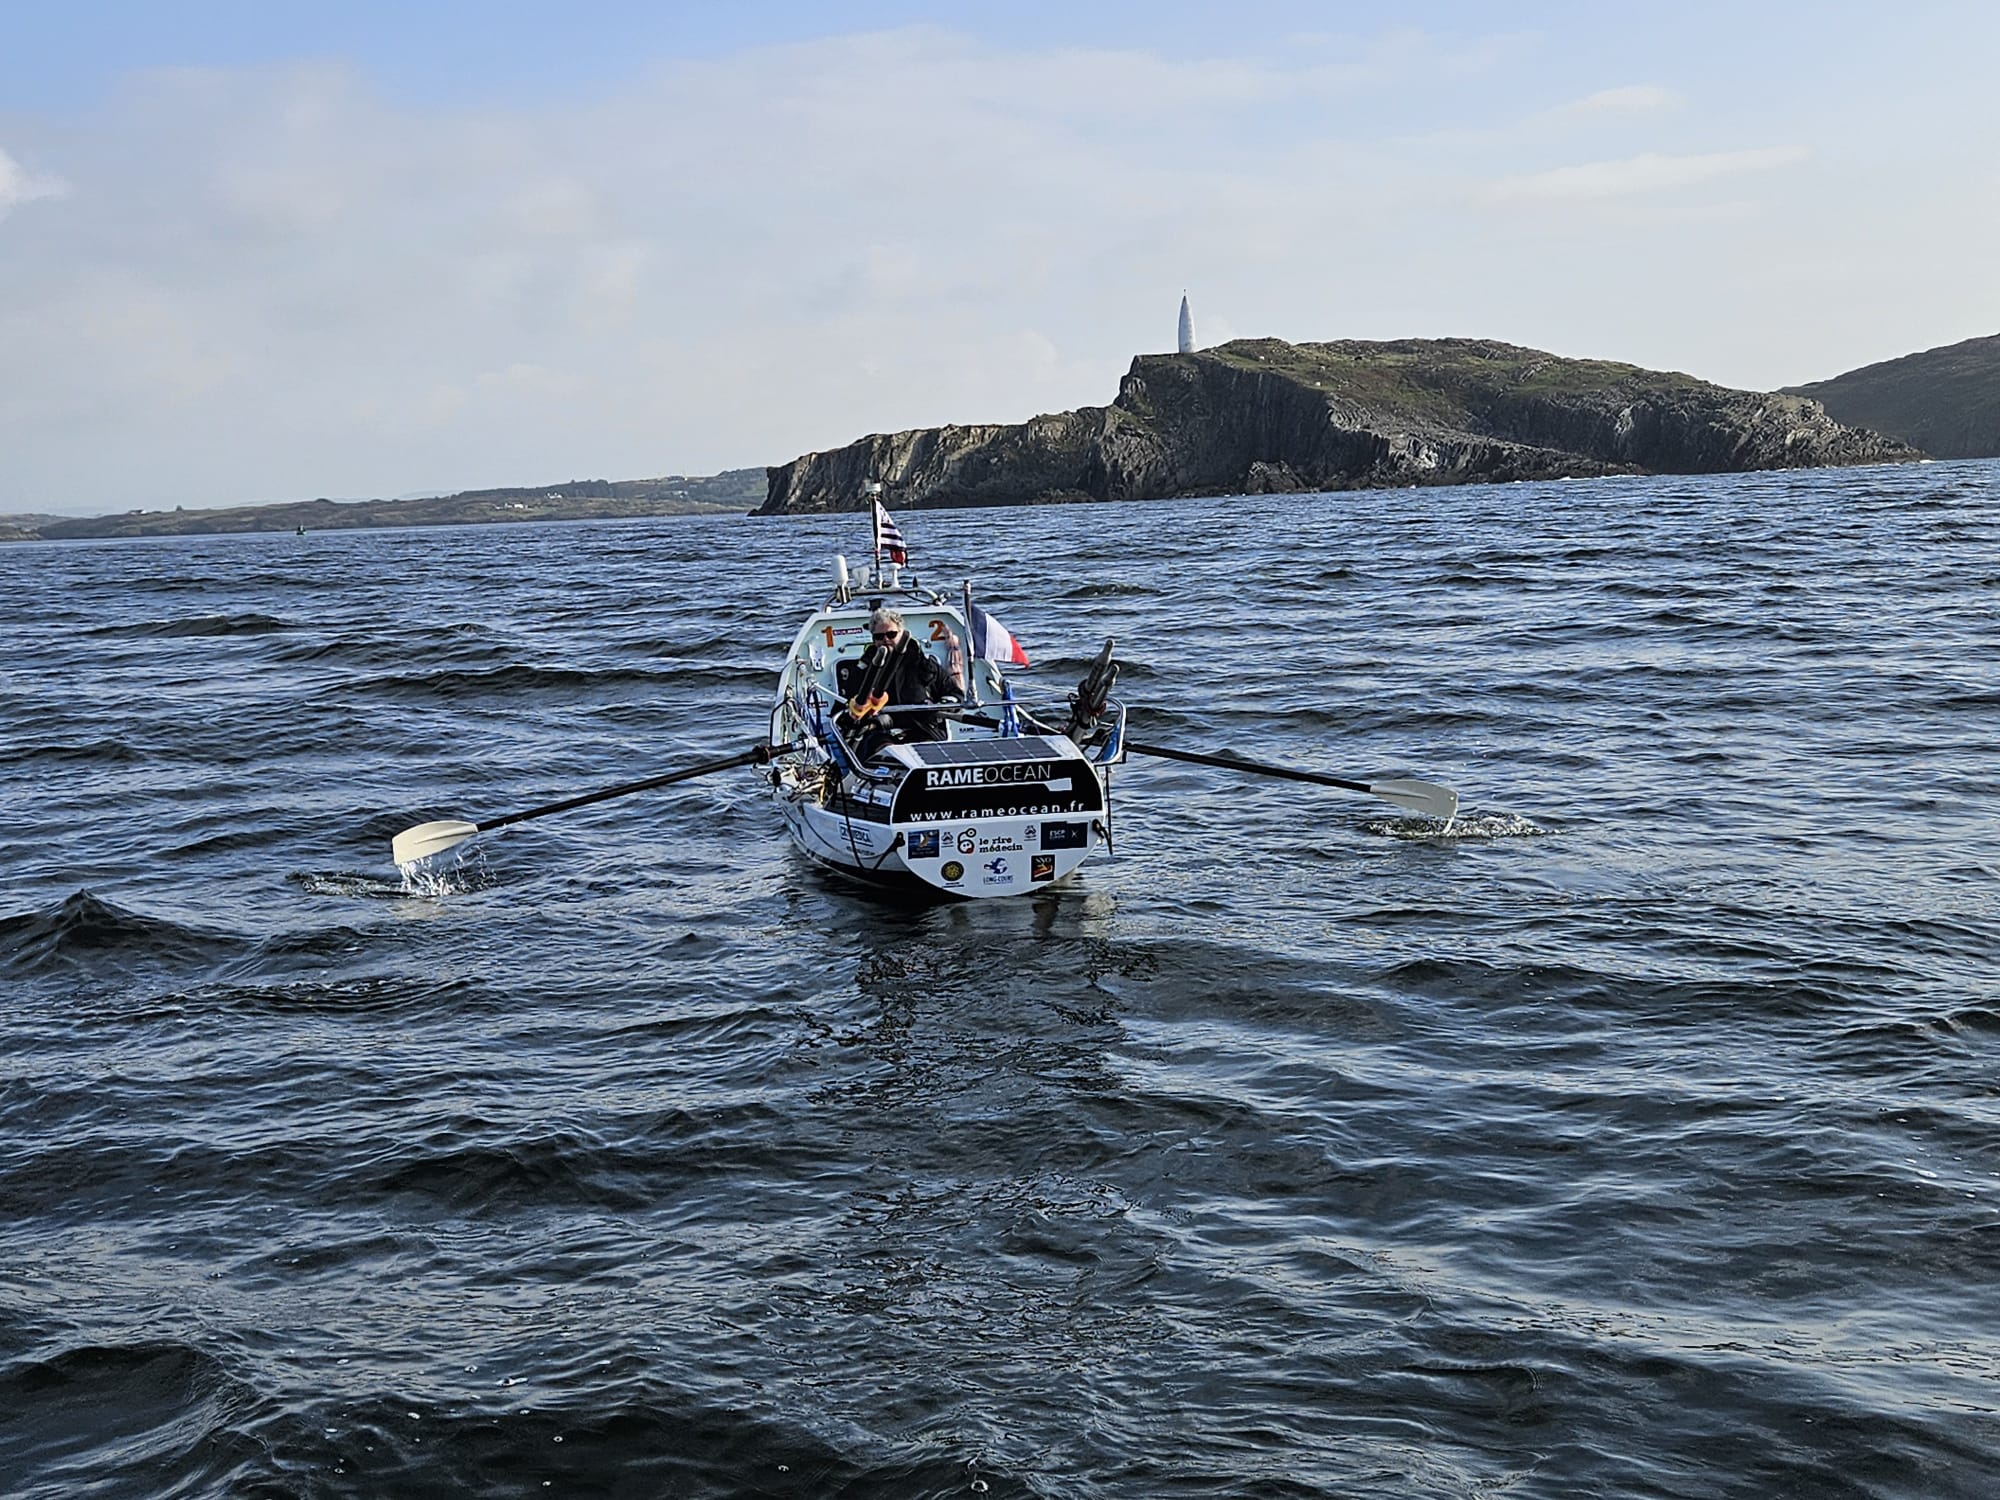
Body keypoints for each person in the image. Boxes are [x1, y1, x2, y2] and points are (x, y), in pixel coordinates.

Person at [840, 606, 959, 757]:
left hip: (922, 728)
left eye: (891, 634)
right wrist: (859, 714)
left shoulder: (924, 665)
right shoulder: (863, 670)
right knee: (888, 753)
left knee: (928, 753)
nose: (885, 640)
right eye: (879, 636)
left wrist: (938, 708)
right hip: (879, 733)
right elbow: (843, 708)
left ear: (902, 635)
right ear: (873, 639)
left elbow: (955, 694)